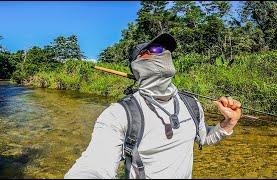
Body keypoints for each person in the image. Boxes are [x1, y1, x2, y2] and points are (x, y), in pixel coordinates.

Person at [64, 33, 242, 179]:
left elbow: (204, 138)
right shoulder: (119, 114)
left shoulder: (191, 104)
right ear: (138, 64)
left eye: (166, 50)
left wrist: (228, 124)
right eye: (156, 49)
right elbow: (94, 166)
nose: (163, 52)